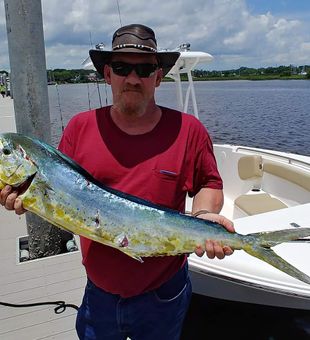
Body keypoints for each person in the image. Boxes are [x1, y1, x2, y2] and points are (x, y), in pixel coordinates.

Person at [0, 24, 235, 339]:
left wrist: (203, 217)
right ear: (108, 75)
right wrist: (22, 199)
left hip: (163, 293)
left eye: (145, 69)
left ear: (158, 76)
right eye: (122, 68)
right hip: (99, 292)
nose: (133, 78)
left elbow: (209, 184)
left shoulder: (189, 130)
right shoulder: (79, 127)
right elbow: (61, 192)